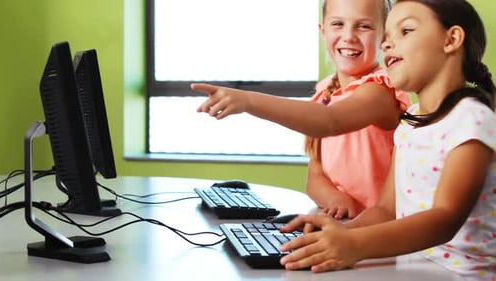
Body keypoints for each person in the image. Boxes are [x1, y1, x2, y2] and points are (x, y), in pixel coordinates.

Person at [278, 0, 496, 279]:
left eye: (405, 31)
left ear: (451, 39)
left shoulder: (472, 119)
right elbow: (385, 209)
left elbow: (445, 218)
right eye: (387, 36)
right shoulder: (410, 122)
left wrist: (355, 244)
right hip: (412, 268)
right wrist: (339, 233)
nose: (387, 44)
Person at [191, 0, 411, 220]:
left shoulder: (381, 91)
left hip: (381, 236)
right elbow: (315, 178)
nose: (349, 36)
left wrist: (248, 100)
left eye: (363, 26)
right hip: (345, 231)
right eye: (338, 24)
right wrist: (336, 199)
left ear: (384, 37)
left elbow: (330, 121)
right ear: (322, 31)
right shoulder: (325, 94)